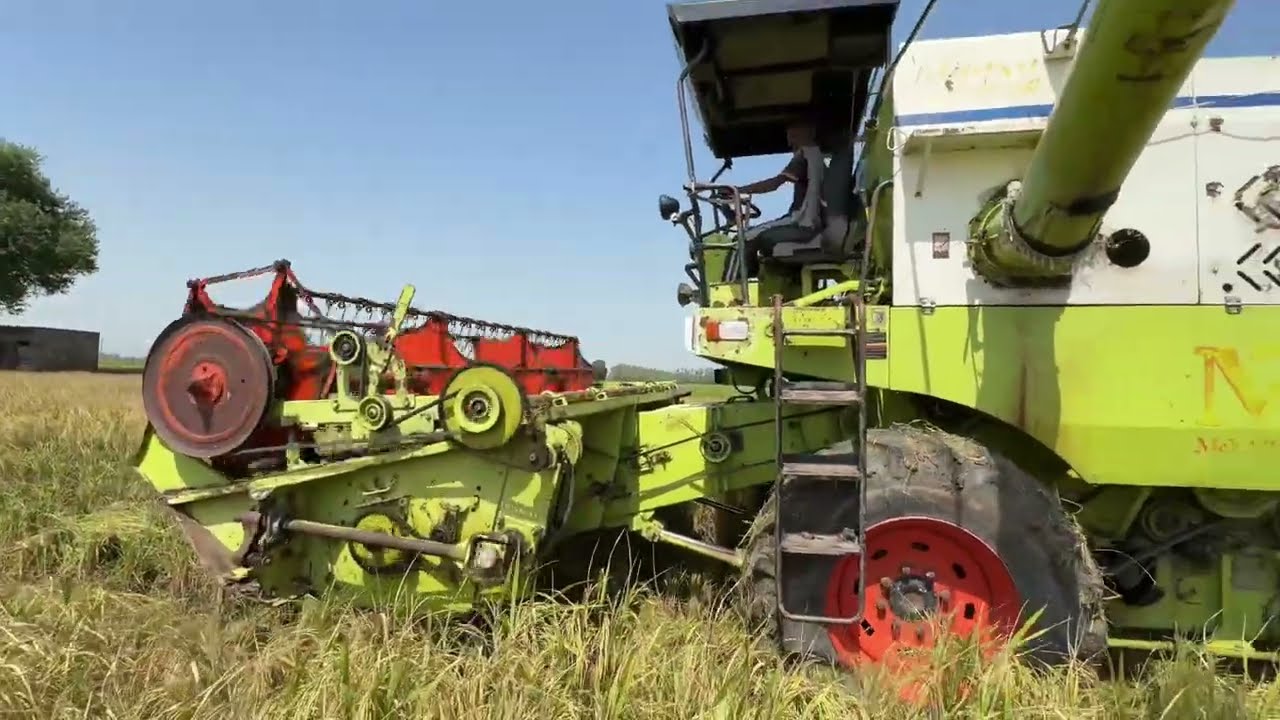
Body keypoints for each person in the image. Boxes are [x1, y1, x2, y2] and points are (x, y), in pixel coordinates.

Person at [721, 119, 826, 277]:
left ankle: (737, 290)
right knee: (755, 234)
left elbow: (774, 183)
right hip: (809, 220)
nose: (789, 138)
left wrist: (737, 191)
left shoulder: (806, 153)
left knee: (744, 238)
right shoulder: (817, 156)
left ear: (807, 132)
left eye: (793, 132)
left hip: (802, 221)